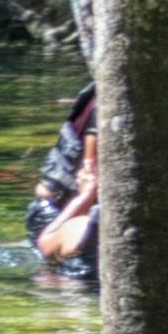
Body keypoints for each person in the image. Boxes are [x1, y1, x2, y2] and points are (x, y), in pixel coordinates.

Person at [38, 82, 100, 282]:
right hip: (59, 209)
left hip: (72, 219)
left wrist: (85, 197)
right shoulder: (104, 108)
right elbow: (90, 166)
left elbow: (45, 244)